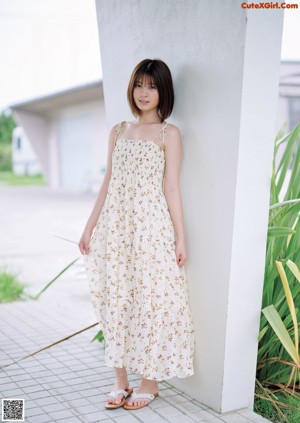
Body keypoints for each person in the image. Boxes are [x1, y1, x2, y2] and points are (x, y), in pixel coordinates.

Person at [78, 58, 195, 411]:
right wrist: (89, 225)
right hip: (116, 229)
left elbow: (171, 187)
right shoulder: (118, 131)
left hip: (151, 228)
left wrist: (180, 237)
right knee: (118, 297)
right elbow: (108, 181)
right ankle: (120, 380)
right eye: (139, 85)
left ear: (163, 92)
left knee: (151, 299)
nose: (144, 93)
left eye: (152, 86)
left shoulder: (168, 134)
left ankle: (150, 381)